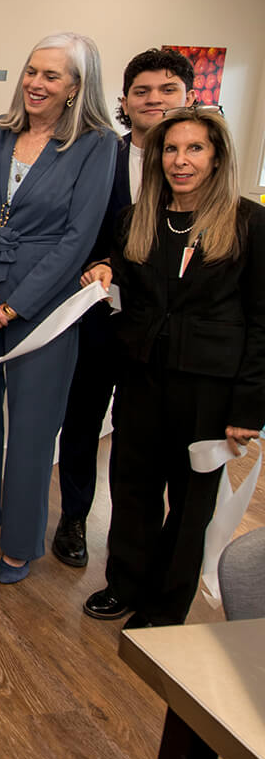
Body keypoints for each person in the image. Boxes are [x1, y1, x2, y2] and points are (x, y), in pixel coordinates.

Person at [0, 32, 117, 584]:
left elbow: (78, 237)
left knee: (34, 426)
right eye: (32, 71)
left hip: (44, 303)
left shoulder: (97, 143)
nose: (36, 83)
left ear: (75, 88)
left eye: (52, 76)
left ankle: (19, 540)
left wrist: (15, 304)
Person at [83, 107, 264, 627]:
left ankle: (165, 606)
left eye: (194, 149)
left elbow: (262, 322)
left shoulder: (251, 224)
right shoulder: (137, 218)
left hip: (211, 387)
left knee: (190, 503)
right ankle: (125, 583)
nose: (180, 161)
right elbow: (126, 277)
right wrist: (102, 266)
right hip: (141, 376)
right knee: (132, 486)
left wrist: (250, 407)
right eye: (170, 149)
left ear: (216, 157)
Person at [52, 49, 193, 567]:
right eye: (142, 91)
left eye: (167, 90)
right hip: (97, 317)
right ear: (125, 102)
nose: (154, 100)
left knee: (142, 434)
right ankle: (73, 519)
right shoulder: (98, 155)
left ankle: (135, 536)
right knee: (83, 420)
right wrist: (98, 264)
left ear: (188, 98)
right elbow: (74, 227)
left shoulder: (199, 164)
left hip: (164, 330)